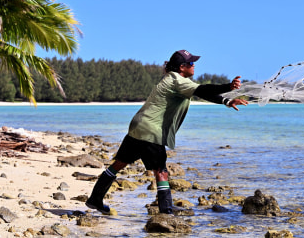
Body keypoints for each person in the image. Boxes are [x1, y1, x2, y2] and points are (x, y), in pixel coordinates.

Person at [85, 49, 248, 214]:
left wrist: (227, 101)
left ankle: (95, 199)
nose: (194, 66)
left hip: (138, 126)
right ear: (182, 67)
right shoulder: (177, 80)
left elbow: (200, 93)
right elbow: (203, 90)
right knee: (161, 172)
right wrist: (228, 87)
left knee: (118, 164)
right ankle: (166, 212)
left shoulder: (172, 79)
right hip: (151, 131)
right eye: (191, 63)